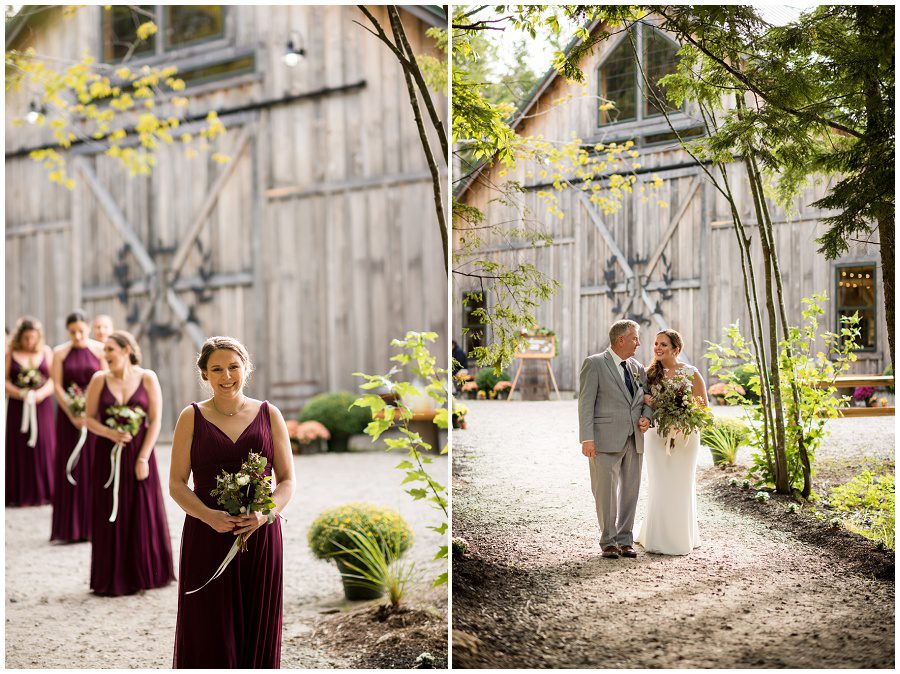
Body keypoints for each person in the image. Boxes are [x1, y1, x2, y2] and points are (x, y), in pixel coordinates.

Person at [170, 336, 294, 668]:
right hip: (207, 537)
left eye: (233, 367)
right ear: (205, 375)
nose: (227, 376)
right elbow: (177, 485)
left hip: (261, 537)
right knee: (209, 627)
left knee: (258, 621)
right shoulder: (190, 418)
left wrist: (265, 515)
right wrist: (209, 516)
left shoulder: (270, 414)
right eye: (217, 369)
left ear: (246, 369)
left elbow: (287, 481)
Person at [83, 330, 174, 595]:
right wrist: (111, 433)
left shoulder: (147, 378)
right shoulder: (99, 380)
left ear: (126, 351)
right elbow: (89, 419)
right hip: (106, 455)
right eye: (104, 350)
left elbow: (155, 420)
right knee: (109, 510)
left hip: (139, 452)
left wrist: (143, 457)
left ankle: (145, 573)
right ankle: (110, 577)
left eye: (110, 349)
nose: (105, 354)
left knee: (141, 509)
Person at [577, 319, 653, 559]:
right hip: (604, 438)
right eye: (634, 338)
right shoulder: (595, 363)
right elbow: (585, 404)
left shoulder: (638, 368)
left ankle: (625, 540)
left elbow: (647, 399)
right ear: (620, 340)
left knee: (631, 491)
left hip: (634, 438)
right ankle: (608, 541)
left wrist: (647, 417)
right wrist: (586, 438)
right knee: (605, 492)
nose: (638, 343)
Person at [635, 330, 707, 555]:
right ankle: (656, 537)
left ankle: (681, 537)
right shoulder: (648, 375)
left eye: (663, 344)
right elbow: (640, 403)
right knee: (659, 485)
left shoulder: (690, 373)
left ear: (676, 349)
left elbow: (703, 407)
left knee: (681, 485)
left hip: (685, 438)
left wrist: (684, 424)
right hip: (656, 437)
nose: (657, 348)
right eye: (656, 344)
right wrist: (646, 401)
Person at [50, 310, 106, 542]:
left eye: (81, 331)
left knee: (94, 464)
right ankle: (70, 528)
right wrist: (73, 412)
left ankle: (94, 526)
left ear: (88, 327)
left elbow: (104, 379)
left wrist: (90, 411)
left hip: (94, 415)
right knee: (71, 465)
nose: (77, 335)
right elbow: (57, 385)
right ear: (67, 331)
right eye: (72, 332)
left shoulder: (99, 350)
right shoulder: (59, 353)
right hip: (68, 418)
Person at [5, 316, 57, 506]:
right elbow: (4, 381)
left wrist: (41, 393)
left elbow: (53, 379)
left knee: (43, 445)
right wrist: (21, 393)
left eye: (33, 338)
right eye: (26, 338)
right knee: (19, 445)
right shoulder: (10, 353)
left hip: (42, 406)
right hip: (18, 407)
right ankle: (18, 493)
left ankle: (45, 491)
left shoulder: (46, 351)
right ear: (20, 337)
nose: (30, 342)